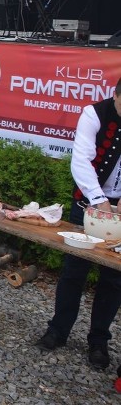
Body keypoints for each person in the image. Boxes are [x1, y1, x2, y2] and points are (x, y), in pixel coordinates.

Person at [36, 78, 121, 369]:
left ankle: (98, 341)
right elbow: (80, 161)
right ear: (115, 95)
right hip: (88, 203)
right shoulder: (93, 114)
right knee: (74, 270)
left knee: (113, 278)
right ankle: (58, 330)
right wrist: (99, 200)